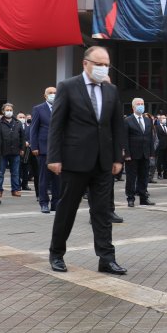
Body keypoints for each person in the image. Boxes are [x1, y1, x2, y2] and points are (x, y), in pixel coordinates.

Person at [47, 46, 127, 275]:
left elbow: (116, 126)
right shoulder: (68, 87)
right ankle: (57, 253)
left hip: (103, 162)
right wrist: (54, 157)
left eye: (106, 65)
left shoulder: (111, 90)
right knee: (67, 209)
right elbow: (57, 125)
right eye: (98, 64)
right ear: (85, 63)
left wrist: (117, 157)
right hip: (74, 161)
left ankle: (106, 258)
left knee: (102, 212)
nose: (103, 68)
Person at [123, 98, 155, 207]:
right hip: (132, 155)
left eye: (142, 103)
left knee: (144, 177)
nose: (141, 105)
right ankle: (130, 198)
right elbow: (125, 139)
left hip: (145, 153)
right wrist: (126, 154)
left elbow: (150, 137)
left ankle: (143, 197)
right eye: (138, 104)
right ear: (133, 107)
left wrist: (151, 153)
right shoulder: (128, 120)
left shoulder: (147, 120)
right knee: (131, 177)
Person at [31, 87, 59, 214]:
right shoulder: (38, 109)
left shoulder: (61, 107)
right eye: (50, 93)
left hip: (59, 149)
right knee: (44, 178)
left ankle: (56, 203)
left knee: (58, 178)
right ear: (45, 95)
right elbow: (33, 129)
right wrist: (34, 146)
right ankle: (44, 203)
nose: (53, 95)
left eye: (55, 93)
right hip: (43, 148)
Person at [0, 103, 25, 198]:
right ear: (3, 111)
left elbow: (22, 137)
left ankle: (15, 190)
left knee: (15, 172)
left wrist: (22, 149)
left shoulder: (17, 122)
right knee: (0, 172)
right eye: (7, 110)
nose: (9, 112)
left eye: (10, 110)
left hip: (15, 151)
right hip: (2, 151)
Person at [156, 114, 167, 179]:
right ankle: (159, 174)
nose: (164, 119)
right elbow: (157, 137)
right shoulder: (157, 127)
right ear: (160, 119)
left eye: (165, 118)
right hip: (160, 146)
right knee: (159, 161)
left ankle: (165, 174)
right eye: (163, 118)